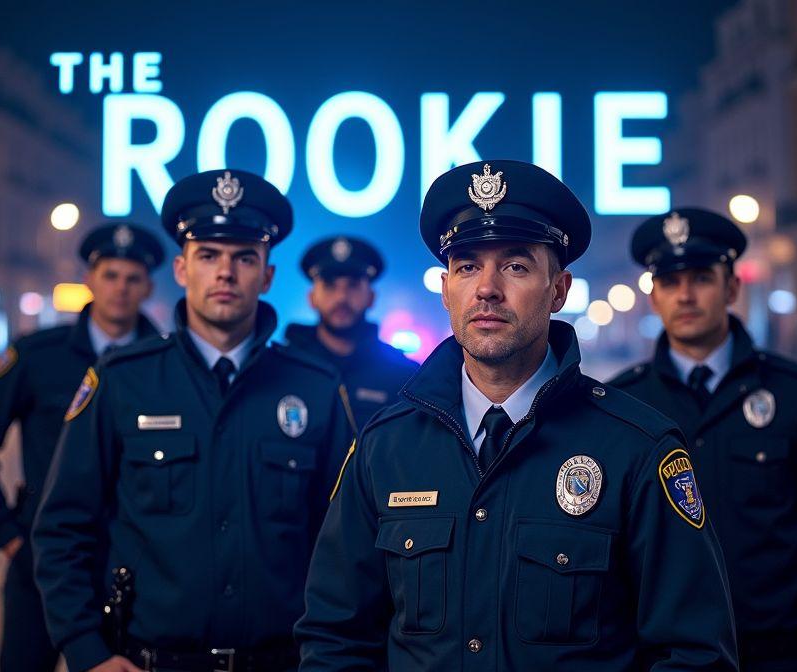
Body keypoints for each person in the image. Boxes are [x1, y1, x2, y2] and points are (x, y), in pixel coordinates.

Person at [295, 161, 738, 671]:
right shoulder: (385, 448)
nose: (486, 288)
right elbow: (335, 640)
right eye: (466, 266)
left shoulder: (638, 447)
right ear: (445, 289)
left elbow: (694, 654)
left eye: (516, 265)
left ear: (559, 289)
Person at [32, 169, 355, 672]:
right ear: (182, 269)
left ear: (267, 275)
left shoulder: (315, 386)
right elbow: (62, 527)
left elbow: (346, 543)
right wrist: (85, 650)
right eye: (208, 255)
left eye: (244, 258)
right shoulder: (121, 381)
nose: (225, 273)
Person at [610, 207, 797, 672]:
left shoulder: (796, 395)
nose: (685, 295)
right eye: (670, 281)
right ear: (654, 298)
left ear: (731, 286)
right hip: (660, 656)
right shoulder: (624, 405)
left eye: (702, 278)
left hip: (774, 650)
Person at [0, 222, 164, 672]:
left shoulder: (165, 362)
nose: (121, 289)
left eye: (133, 278)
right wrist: (8, 535)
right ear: (90, 279)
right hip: (42, 562)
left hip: (133, 567)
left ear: (148, 286)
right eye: (111, 275)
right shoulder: (37, 355)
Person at [285, 236, 417, 429]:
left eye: (353, 285)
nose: (341, 297)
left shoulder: (405, 378)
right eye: (330, 285)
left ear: (371, 297)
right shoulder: (282, 369)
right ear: (312, 298)